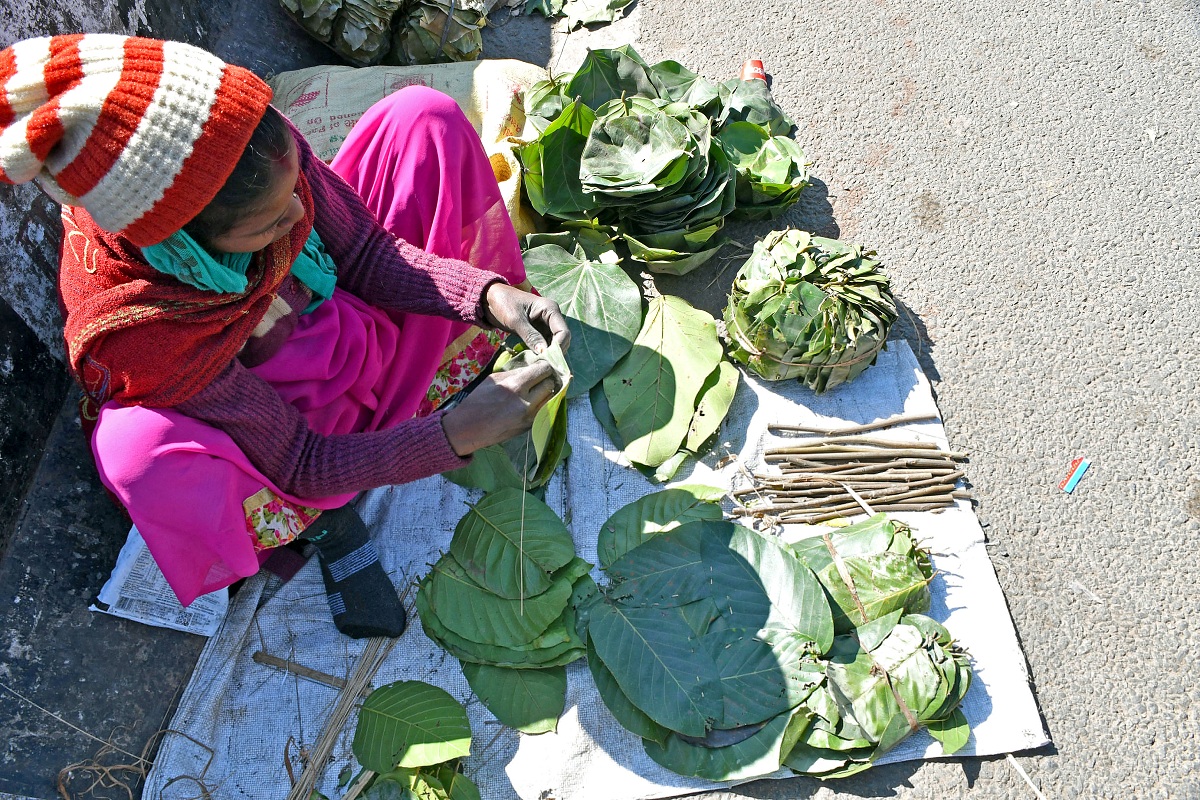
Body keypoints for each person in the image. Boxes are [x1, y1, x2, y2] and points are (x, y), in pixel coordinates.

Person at [0, 34, 570, 638]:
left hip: (332, 310)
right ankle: (325, 525)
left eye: (291, 194)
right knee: (137, 454)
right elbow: (301, 459)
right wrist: (453, 436)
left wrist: (484, 295)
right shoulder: (144, 332)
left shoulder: (253, 148)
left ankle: (412, 394)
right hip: (278, 425)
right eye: (270, 223)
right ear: (186, 239)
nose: (298, 220)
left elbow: (369, 253)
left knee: (422, 117)